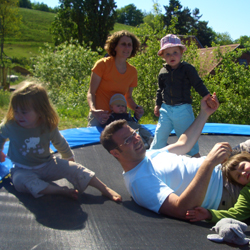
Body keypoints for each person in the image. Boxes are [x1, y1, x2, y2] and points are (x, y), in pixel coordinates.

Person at [99, 93, 233, 220]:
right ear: (115, 153)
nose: (136, 139)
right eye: (128, 139)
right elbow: (180, 209)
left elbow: (184, 144)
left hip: (227, 166)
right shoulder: (139, 182)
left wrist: (204, 113)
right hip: (226, 189)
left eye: (134, 133)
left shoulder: (149, 155)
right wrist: (209, 164)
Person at [0, 81, 122, 202]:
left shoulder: (46, 126)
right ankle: (59, 191)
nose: (19, 115)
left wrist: (68, 157)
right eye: (16, 111)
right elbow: (1, 136)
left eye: (24, 112)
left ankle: (104, 188)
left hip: (47, 165)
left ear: (40, 111)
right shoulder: (11, 125)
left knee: (76, 168)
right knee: (20, 182)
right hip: (22, 168)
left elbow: (59, 142)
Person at [150, 34, 216, 158]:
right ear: (163, 56)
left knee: (188, 138)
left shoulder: (187, 69)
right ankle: (152, 159)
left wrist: (207, 96)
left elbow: (197, 84)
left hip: (183, 109)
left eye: (175, 52)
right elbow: (160, 90)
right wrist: (158, 104)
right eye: (167, 54)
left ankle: (196, 159)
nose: (171, 56)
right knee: (159, 136)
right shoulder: (162, 72)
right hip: (166, 109)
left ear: (181, 52)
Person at [87, 30, 144, 127]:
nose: (127, 47)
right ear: (115, 46)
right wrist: (93, 110)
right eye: (123, 44)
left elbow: (128, 98)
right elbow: (91, 93)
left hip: (120, 117)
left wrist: (137, 109)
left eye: (129, 45)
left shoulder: (132, 71)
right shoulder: (102, 65)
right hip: (100, 116)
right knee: (95, 142)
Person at [186, 143, 250, 224]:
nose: (243, 173)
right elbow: (237, 213)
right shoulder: (247, 193)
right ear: (239, 183)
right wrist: (209, 214)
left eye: (243, 167)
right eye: (238, 176)